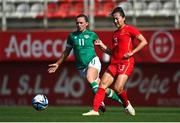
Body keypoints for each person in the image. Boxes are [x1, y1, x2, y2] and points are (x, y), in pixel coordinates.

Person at [48, 14, 123, 113]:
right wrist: (58, 63)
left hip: (93, 61)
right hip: (81, 67)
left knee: (90, 77)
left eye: (81, 23)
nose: (79, 25)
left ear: (86, 24)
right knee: (102, 88)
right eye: (77, 23)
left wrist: (116, 55)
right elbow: (66, 51)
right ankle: (123, 102)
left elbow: (103, 49)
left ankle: (99, 103)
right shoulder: (71, 36)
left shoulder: (92, 35)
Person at [82, 7, 148, 116]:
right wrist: (101, 45)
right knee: (102, 85)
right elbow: (113, 52)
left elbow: (144, 41)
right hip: (114, 63)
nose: (115, 21)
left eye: (117, 18)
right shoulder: (115, 34)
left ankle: (127, 105)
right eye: (114, 19)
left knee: (118, 88)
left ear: (123, 18)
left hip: (126, 62)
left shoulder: (129, 29)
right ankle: (95, 110)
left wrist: (132, 52)